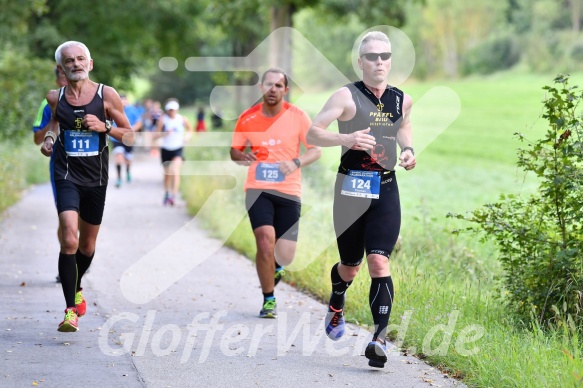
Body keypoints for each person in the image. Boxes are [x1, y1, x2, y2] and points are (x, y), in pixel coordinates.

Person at [306, 31, 416, 368]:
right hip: (351, 191)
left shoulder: (402, 99)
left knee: (379, 261)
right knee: (350, 266)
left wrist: (409, 149)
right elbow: (313, 132)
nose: (379, 62)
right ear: (361, 62)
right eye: (372, 57)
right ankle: (338, 297)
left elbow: (403, 127)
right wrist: (346, 137)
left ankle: (379, 339)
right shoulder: (346, 96)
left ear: (391, 60)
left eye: (384, 56)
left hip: (385, 188)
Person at [40, 41, 132, 332]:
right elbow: (55, 123)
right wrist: (50, 139)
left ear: (90, 64)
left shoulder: (107, 95)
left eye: (81, 59)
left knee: (87, 244)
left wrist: (105, 127)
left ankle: (77, 286)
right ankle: (70, 310)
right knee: (69, 238)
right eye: (69, 61)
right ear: (62, 68)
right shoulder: (55, 97)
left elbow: (129, 137)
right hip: (66, 174)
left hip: (96, 178)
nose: (76, 64)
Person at [230, 68, 321, 319]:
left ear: (285, 90)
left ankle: (277, 266)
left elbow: (315, 150)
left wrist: (296, 162)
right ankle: (269, 299)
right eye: (268, 84)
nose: (273, 89)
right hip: (258, 188)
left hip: (289, 191)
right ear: (261, 87)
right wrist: (242, 156)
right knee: (264, 239)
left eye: (278, 86)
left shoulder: (298, 116)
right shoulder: (248, 118)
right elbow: (234, 151)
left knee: (285, 254)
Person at [32, 67, 69, 284]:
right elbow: (37, 138)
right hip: (60, 168)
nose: (68, 79)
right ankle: (68, 261)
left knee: (83, 219)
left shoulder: (91, 99)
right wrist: (54, 116)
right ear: (57, 79)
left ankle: (80, 254)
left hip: (89, 169)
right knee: (66, 218)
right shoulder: (48, 104)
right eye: (63, 76)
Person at [154, 99, 193, 206]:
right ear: (167, 110)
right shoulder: (163, 120)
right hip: (166, 148)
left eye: (174, 110)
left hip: (177, 148)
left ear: (177, 110)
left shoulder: (182, 119)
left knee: (175, 171)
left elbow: (190, 129)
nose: (172, 112)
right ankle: (167, 193)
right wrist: (165, 133)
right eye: (170, 110)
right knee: (167, 174)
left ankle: (173, 195)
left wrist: (187, 137)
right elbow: (156, 135)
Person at [110, 95, 143, 187]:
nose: (123, 103)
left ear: (127, 101)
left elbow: (139, 122)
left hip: (128, 138)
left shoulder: (132, 110)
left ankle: (128, 171)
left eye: (124, 101)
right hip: (116, 137)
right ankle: (119, 178)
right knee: (119, 155)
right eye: (121, 101)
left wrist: (132, 129)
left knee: (128, 158)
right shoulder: (112, 109)